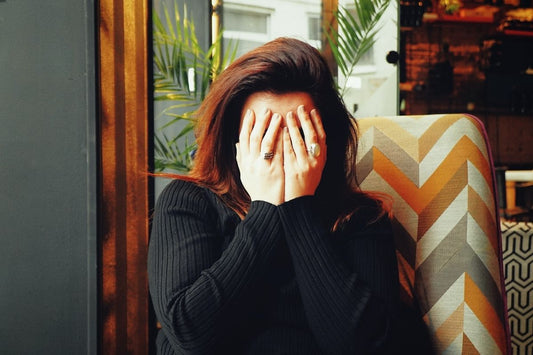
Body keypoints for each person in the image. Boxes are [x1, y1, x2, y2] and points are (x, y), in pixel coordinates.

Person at [148, 37, 433, 354]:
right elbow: (191, 336)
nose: (282, 150)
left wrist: (298, 206)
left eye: (299, 134)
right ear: (234, 139)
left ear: (324, 140)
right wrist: (266, 207)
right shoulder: (189, 201)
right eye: (264, 134)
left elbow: (363, 346)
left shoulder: (361, 218)